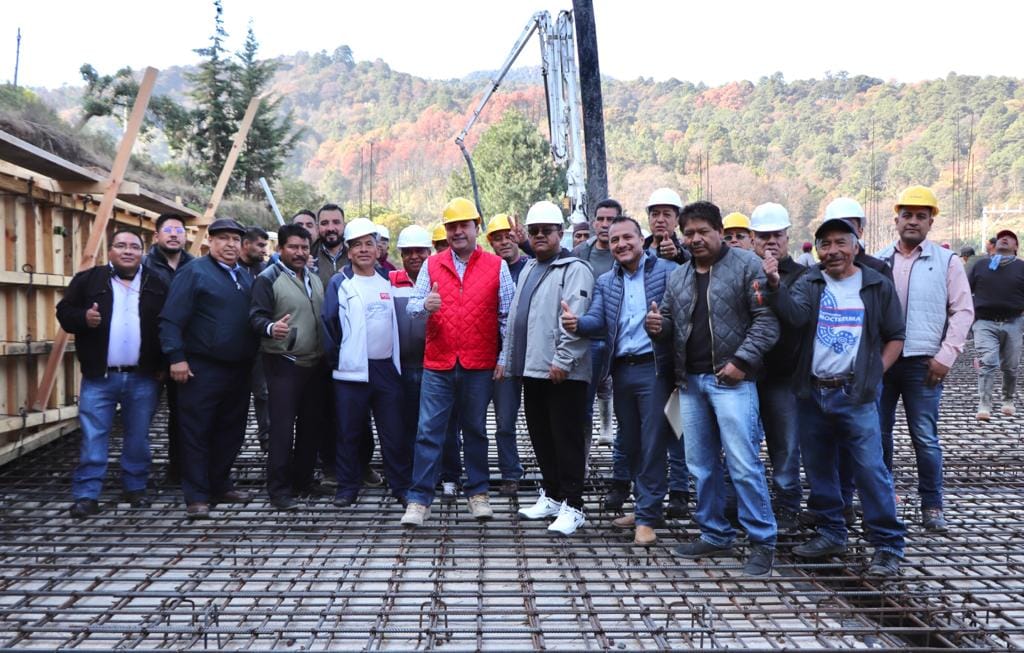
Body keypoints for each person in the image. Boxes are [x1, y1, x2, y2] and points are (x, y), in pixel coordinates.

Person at [766, 217, 907, 577]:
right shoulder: (810, 281)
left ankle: (888, 544)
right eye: (825, 244)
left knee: (871, 469)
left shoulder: (876, 284)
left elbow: (895, 335)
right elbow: (794, 317)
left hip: (855, 392)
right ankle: (831, 531)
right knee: (817, 466)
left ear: (856, 245)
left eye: (840, 243)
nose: (833, 251)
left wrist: (875, 374)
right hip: (812, 391)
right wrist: (775, 286)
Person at [646, 200, 779, 577]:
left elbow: (766, 322)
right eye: (689, 233)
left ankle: (762, 540)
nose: (696, 239)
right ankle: (714, 532)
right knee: (701, 465)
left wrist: (741, 362)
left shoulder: (746, 267)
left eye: (703, 231)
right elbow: (670, 321)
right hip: (691, 382)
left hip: (731, 380)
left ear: (720, 231)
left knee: (743, 463)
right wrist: (656, 325)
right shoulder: (679, 275)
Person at [564, 216, 682, 544]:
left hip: (655, 368)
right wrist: (577, 324)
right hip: (622, 369)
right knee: (630, 443)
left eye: (627, 237)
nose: (621, 245)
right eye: (615, 240)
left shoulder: (667, 272)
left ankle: (646, 517)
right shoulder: (607, 281)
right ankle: (646, 505)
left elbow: (679, 317)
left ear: (641, 239)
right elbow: (598, 319)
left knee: (653, 440)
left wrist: (665, 326)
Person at [400, 198, 515, 527]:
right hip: (438, 363)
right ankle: (418, 501)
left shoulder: (496, 266)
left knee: (476, 430)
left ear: (476, 228)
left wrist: (504, 357)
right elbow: (411, 309)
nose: (457, 231)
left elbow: (507, 316)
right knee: (428, 432)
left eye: (464, 225)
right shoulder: (432, 265)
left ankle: (478, 494)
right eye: (452, 226)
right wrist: (426, 304)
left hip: (479, 364)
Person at [876, 186, 973, 534]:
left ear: (931, 221)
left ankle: (932, 505)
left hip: (924, 365)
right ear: (897, 219)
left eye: (920, 216)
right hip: (883, 363)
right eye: (907, 215)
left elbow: (963, 310)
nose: (913, 221)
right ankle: (883, 499)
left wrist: (946, 356)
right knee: (878, 434)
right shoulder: (879, 259)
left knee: (925, 438)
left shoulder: (946, 262)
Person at [57, 229, 168, 518]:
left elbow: (169, 324)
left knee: (138, 436)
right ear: (110, 251)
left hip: (143, 376)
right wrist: (83, 318)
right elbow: (64, 312)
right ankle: (87, 494)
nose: (128, 251)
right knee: (94, 435)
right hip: (99, 376)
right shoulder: (88, 280)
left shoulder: (158, 282)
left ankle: (135, 487)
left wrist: (164, 365)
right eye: (121, 246)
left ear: (143, 252)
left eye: (134, 246)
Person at [500, 201, 594, 536]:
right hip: (533, 368)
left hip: (561, 372)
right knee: (541, 437)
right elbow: (516, 318)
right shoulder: (529, 268)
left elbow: (575, 318)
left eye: (547, 231)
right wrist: (507, 361)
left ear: (560, 233)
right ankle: (553, 495)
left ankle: (574, 505)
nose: (540, 236)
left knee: (566, 438)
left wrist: (564, 360)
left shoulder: (574, 269)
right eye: (535, 231)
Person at [159, 218, 259, 519]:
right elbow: (170, 319)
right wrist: (176, 357)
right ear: (209, 243)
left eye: (235, 239)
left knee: (231, 430)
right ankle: (197, 495)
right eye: (223, 238)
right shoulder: (194, 272)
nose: (230, 244)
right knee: (196, 432)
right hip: (202, 367)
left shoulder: (243, 275)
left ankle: (220, 484)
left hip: (238, 368)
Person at [322, 218, 410, 507]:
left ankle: (400, 486)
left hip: (386, 368)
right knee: (349, 433)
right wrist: (341, 361)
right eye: (357, 245)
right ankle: (347, 488)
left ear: (378, 249)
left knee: (393, 432)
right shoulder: (341, 283)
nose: (363, 250)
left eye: (368, 244)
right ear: (348, 251)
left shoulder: (390, 280)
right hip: (351, 372)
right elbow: (330, 323)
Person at [249, 224, 327, 511]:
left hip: (314, 364)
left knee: (311, 427)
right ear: (281, 248)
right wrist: (270, 328)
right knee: (282, 430)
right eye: (293, 247)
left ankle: (302, 480)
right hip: (284, 363)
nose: (299, 252)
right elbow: (255, 316)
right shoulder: (267, 279)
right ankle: (279, 490)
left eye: (304, 248)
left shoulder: (314, 278)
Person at [749, 202, 808, 530]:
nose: (771, 241)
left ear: (788, 237)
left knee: (785, 448)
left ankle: (787, 507)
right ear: (753, 239)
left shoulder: (802, 275)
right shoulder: (744, 270)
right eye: (763, 236)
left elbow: (797, 317)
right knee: (741, 446)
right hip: (746, 375)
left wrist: (774, 283)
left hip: (784, 376)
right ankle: (745, 504)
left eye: (777, 235)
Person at [144, 213, 194, 483]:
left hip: (183, 355)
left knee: (182, 417)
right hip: (149, 355)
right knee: (141, 418)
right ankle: (136, 477)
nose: (174, 235)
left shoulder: (195, 267)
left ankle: (179, 471)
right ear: (156, 236)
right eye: (168, 230)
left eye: (179, 230)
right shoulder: (142, 267)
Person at [484, 214, 527, 496]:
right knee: (478, 421)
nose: (504, 242)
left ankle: (511, 473)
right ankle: (482, 473)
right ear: (490, 242)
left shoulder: (530, 267)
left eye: (509, 236)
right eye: (498, 238)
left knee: (507, 420)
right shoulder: (487, 270)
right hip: (486, 354)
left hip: (519, 357)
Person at [573, 199, 619, 449]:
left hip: (618, 337)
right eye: (600, 219)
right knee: (583, 402)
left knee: (625, 404)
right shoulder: (582, 252)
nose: (604, 224)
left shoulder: (628, 251)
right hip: (588, 336)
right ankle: (583, 459)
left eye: (610, 219)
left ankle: (624, 468)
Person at [968, 229, 1024, 420]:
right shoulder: (981, 265)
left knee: (1011, 366)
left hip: (1014, 322)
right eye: (1001, 238)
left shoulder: (1021, 267)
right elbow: (966, 290)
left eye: (1009, 238)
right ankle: (984, 404)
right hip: (985, 322)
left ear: (1016, 247)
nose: (1004, 239)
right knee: (988, 361)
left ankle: (1008, 400)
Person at [240, 226, 270, 453]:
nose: (264, 250)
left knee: (264, 394)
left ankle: (267, 442)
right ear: (246, 243)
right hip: (234, 345)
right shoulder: (230, 269)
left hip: (260, 343)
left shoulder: (265, 269)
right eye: (260, 245)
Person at [643, 188, 690, 265]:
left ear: (677, 220)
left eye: (667, 214)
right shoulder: (639, 247)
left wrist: (677, 254)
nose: (660, 220)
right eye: (655, 214)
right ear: (649, 218)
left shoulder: (686, 247)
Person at [313, 204, 348, 289]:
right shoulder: (308, 256)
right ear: (317, 227)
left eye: (336, 222)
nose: (330, 228)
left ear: (344, 225)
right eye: (324, 223)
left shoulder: (357, 255)